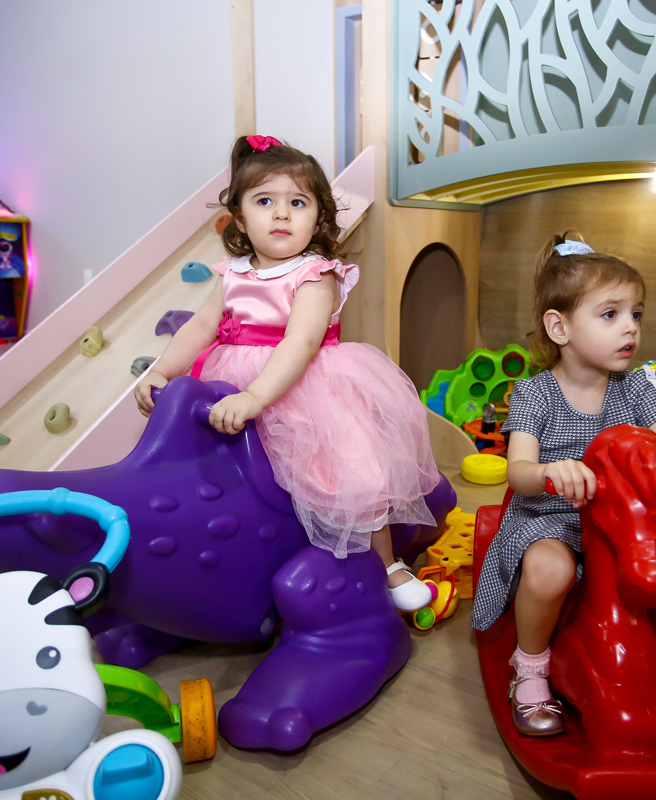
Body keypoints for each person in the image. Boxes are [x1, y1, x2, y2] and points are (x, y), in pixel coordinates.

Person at [135, 135, 439, 611]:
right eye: (264, 202)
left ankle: (386, 564)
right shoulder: (233, 272)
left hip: (304, 387)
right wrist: (161, 372)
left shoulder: (315, 273)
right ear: (240, 218)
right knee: (228, 478)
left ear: (318, 217)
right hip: (230, 382)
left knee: (351, 472)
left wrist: (256, 397)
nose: (281, 214)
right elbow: (200, 326)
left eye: (297, 202)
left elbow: (300, 342)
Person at [469, 234, 656, 737]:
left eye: (636, 314)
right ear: (559, 327)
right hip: (550, 518)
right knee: (551, 570)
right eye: (610, 314)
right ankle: (531, 665)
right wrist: (549, 471)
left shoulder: (635, 389)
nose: (630, 327)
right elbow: (518, 471)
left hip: (618, 528)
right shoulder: (536, 393)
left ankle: (646, 659)